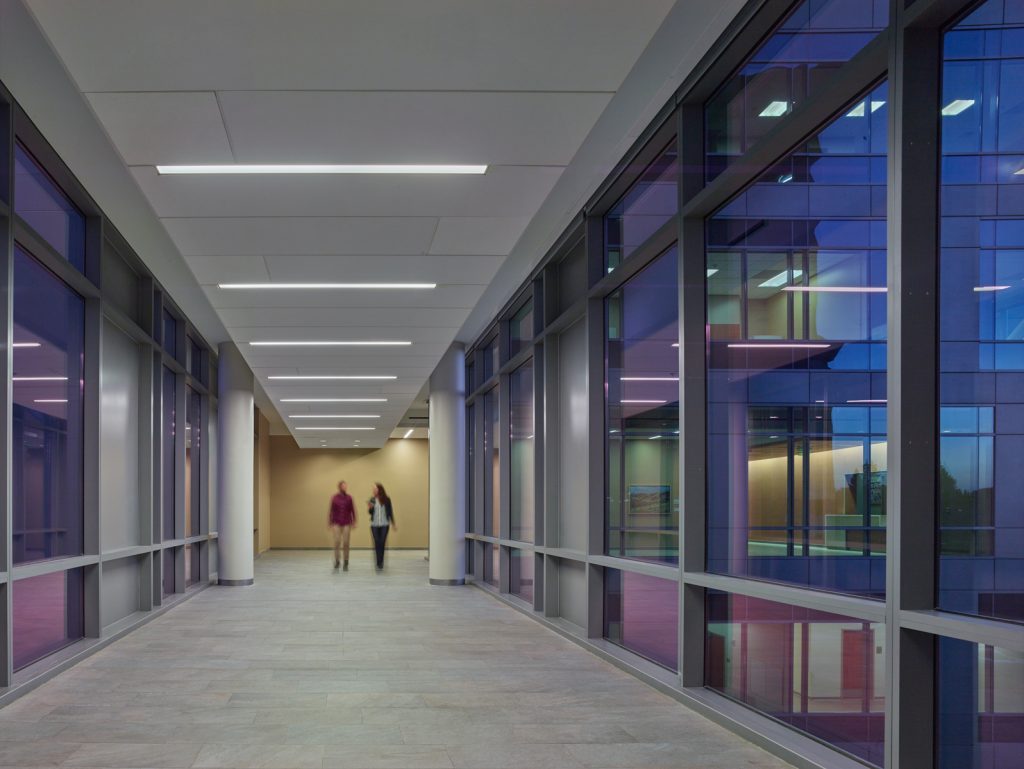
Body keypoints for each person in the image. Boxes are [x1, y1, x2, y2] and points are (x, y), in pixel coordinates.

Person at [367, 482, 396, 571]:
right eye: (373, 489)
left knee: (382, 542)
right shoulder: (372, 499)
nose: (374, 490)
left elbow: (390, 511)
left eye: (375, 489)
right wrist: (370, 508)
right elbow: (370, 513)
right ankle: (378, 562)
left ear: (380, 489)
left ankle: (381, 562)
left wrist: (393, 523)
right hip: (374, 525)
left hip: (384, 524)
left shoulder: (387, 499)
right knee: (377, 542)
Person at [328, 480, 356, 571]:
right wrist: (330, 522)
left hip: (347, 523)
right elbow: (331, 510)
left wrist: (354, 521)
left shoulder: (349, 498)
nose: (345, 487)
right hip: (336, 522)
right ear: (339, 487)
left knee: (346, 542)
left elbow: (352, 510)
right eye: (343, 486)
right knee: (336, 542)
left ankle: (346, 561)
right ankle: (337, 561)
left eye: (346, 486)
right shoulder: (334, 498)